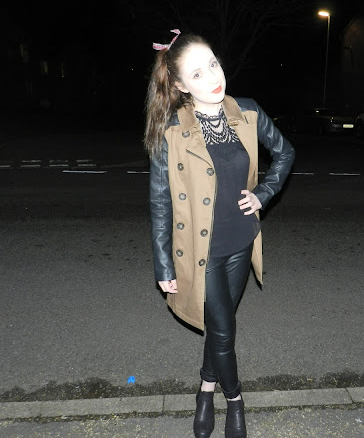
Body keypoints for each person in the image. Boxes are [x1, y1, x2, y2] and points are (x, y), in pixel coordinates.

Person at [144, 28, 295, 438]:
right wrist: (163, 264)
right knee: (225, 332)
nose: (213, 76)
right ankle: (236, 402)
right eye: (197, 74)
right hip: (201, 252)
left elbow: (285, 152)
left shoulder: (247, 111)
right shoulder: (171, 131)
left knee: (219, 326)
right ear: (180, 85)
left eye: (213, 64)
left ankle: (205, 390)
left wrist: (264, 193)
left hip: (242, 242)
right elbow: (160, 201)